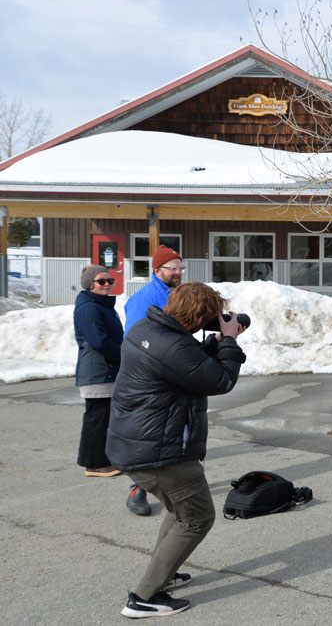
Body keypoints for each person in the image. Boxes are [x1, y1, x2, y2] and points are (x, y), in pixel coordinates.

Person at [107, 282, 245, 618]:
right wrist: (229, 341)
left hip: (137, 443)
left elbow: (186, 369)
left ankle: (162, 576)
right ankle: (144, 596)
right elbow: (220, 381)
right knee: (198, 518)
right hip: (160, 451)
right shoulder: (173, 346)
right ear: (199, 317)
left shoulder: (147, 328)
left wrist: (211, 344)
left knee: (179, 510)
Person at [121, 244, 184, 516]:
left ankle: (175, 485)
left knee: (176, 431)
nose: (178, 272)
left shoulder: (177, 294)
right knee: (151, 433)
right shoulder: (143, 299)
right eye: (173, 268)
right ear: (157, 270)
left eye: (181, 268)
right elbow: (136, 340)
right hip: (152, 376)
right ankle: (138, 489)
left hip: (175, 371)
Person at [74, 265, 124, 478]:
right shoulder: (89, 308)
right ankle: (94, 464)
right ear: (89, 284)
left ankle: (104, 459)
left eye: (109, 281)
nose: (107, 285)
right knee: (97, 420)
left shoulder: (101, 305)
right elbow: (99, 341)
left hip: (107, 370)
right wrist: (126, 356)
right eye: (101, 281)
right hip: (97, 372)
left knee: (105, 418)